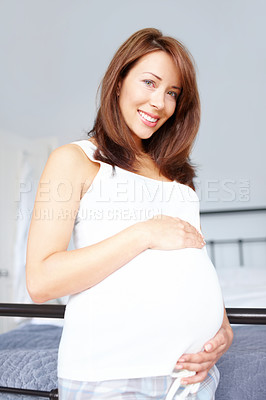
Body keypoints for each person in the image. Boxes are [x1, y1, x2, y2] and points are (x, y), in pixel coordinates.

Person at [26, 28, 233, 399]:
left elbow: (194, 257)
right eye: (150, 83)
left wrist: (223, 328)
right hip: (114, 375)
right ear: (119, 81)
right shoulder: (75, 160)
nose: (160, 102)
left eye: (172, 93)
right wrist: (144, 234)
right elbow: (41, 280)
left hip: (191, 378)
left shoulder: (178, 177)